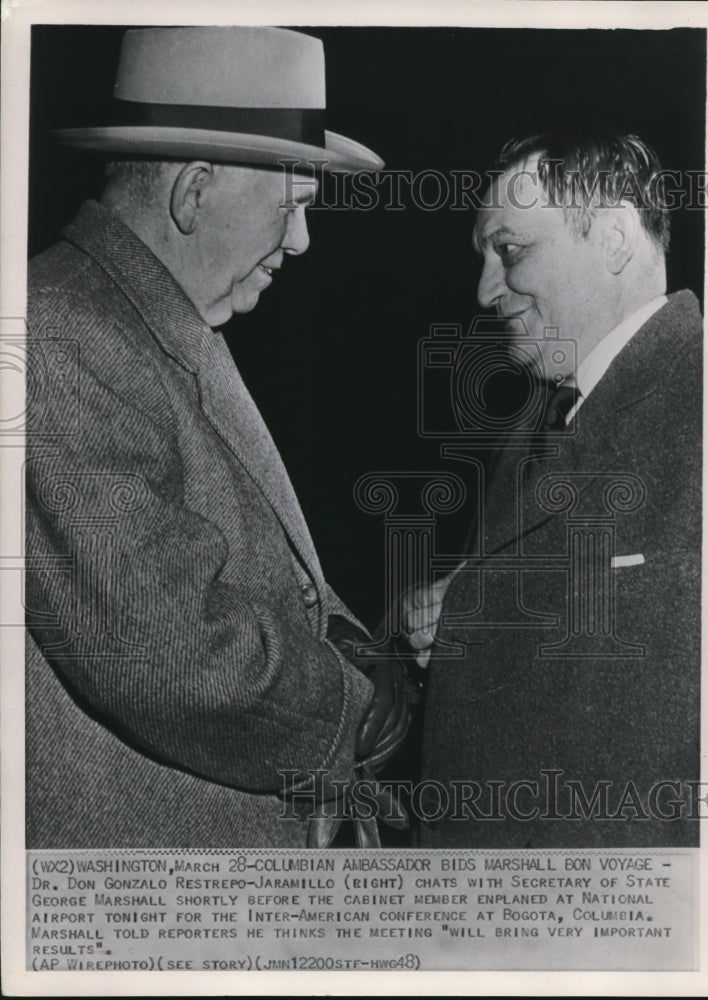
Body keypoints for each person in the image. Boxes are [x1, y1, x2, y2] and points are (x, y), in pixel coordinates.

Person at [25, 26, 410, 849]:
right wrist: (360, 706)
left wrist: (347, 643)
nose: (301, 243)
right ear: (193, 191)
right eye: (294, 209)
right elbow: (166, 651)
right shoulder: (59, 334)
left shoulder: (146, 322)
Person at [407, 131, 702, 848]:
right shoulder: (547, 413)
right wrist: (461, 608)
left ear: (610, 238)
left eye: (510, 250)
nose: (484, 289)